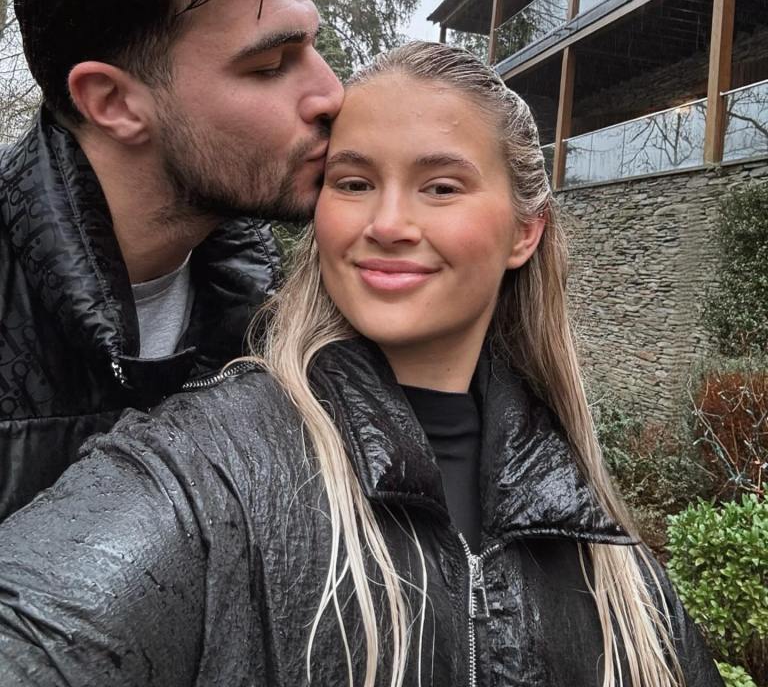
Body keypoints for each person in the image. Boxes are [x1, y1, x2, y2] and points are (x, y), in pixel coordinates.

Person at [0, 42, 721, 687]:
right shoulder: (209, 471)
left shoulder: (606, 557)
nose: (388, 224)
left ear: (524, 232)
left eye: (441, 186)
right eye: (353, 183)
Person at [0, 0, 343, 520]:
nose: (332, 93)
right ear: (115, 102)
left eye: (312, 46)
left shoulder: (281, 326)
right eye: (271, 65)